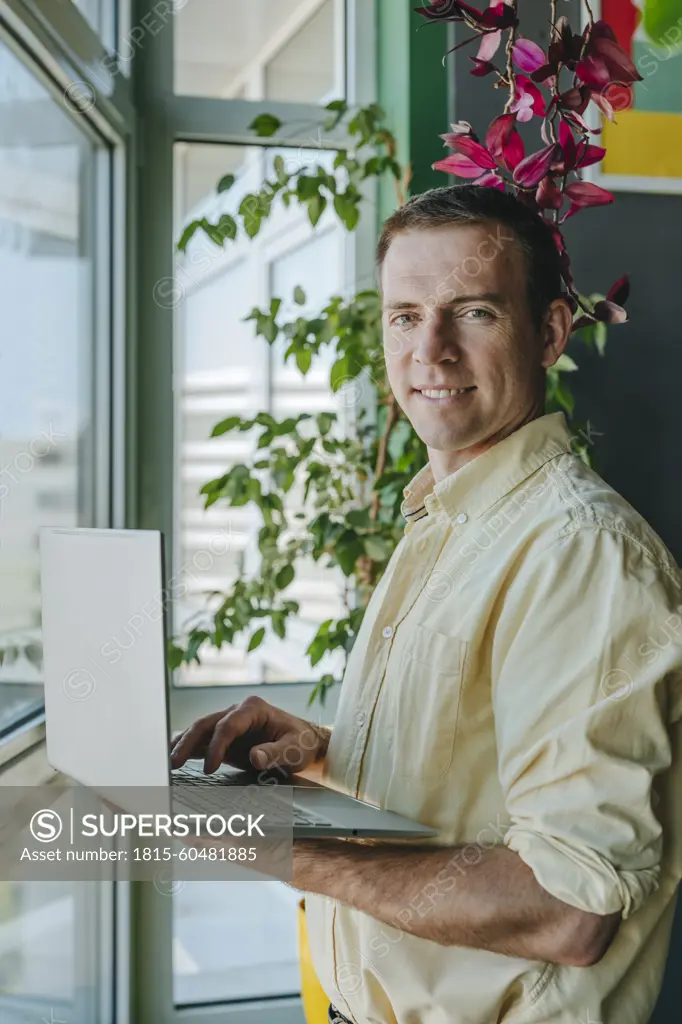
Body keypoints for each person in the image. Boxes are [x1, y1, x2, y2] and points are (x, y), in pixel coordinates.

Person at [170, 185, 682, 1024]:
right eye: (404, 316)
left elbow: (569, 905)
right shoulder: (446, 522)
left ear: (550, 331)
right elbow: (477, 775)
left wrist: (293, 853)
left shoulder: (579, 554)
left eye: (472, 312)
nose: (430, 351)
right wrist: (320, 754)